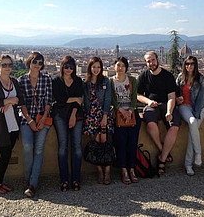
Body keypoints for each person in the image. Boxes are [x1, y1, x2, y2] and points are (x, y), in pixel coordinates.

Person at [0, 54, 24, 194]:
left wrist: (13, 100)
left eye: (10, 65)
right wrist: (7, 101)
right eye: (4, 65)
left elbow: (20, 99)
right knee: (4, 154)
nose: (7, 67)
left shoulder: (14, 81)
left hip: (13, 123)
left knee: (7, 154)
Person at [137, 51, 181, 175]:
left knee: (174, 127)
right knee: (151, 125)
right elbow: (138, 95)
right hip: (152, 105)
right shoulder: (143, 76)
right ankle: (163, 151)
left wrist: (169, 111)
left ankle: (162, 159)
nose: (151, 63)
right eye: (148, 61)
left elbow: (172, 96)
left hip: (167, 104)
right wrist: (148, 101)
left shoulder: (167, 76)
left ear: (157, 60)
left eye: (153, 60)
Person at [18, 52, 52, 197]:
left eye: (40, 63)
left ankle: (32, 184)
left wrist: (43, 118)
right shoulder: (22, 80)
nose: (37, 65)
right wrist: (30, 120)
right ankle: (29, 177)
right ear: (29, 62)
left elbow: (49, 101)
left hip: (43, 119)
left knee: (38, 150)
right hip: (27, 118)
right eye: (35, 62)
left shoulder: (47, 79)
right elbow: (21, 103)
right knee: (27, 147)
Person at [52, 56, 84, 192]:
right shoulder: (56, 81)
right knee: (63, 147)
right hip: (60, 115)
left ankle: (76, 179)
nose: (68, 69)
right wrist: (74, 98)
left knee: (77, 147)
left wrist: (73, 114)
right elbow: (59, 100)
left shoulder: (78, 81)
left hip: (75, 116)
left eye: (71, 67)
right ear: (62, 67)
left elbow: (80, 101)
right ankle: (64, 179)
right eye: (66, 67)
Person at [83, 56, 114, 185]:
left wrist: (105, 116)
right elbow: (85, 100)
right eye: (93, 67)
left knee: (105, 143)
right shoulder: (86, 83)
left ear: (101, 68)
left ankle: (107, 171)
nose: (96, 69)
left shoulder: (105, 81)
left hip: (103, 114)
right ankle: (99, 171)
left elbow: (108, 99)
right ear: (90, 68)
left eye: (98, 67)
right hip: (91, 115)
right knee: (95, 144)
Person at [111, 57, 141, 185]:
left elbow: (134, 97)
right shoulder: (110, 82)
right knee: (120, 143)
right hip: (118, 116)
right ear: (114, 67)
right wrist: (120, 110)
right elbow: (111, 99)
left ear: (126, 67)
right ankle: (123, 169)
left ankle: (132, 168)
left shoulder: (132, 80)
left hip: (132, 115)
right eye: (118, 65)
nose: (120, 67)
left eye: (123, 65)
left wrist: (130, 110)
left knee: (132, 143)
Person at [176, 56, 204, 176]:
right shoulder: (180, 78)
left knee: (191, 134)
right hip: (184, 107)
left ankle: (188, 165)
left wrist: (197, 112)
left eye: (192, 63)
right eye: (187, 63)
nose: (189, 66)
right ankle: (198, 153)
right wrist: (178, 99)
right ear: (184, 65)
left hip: (198, 108)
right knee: (193, 123)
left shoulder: (201, 79)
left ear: (195, 65)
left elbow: (201, 97)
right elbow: (175, 92)